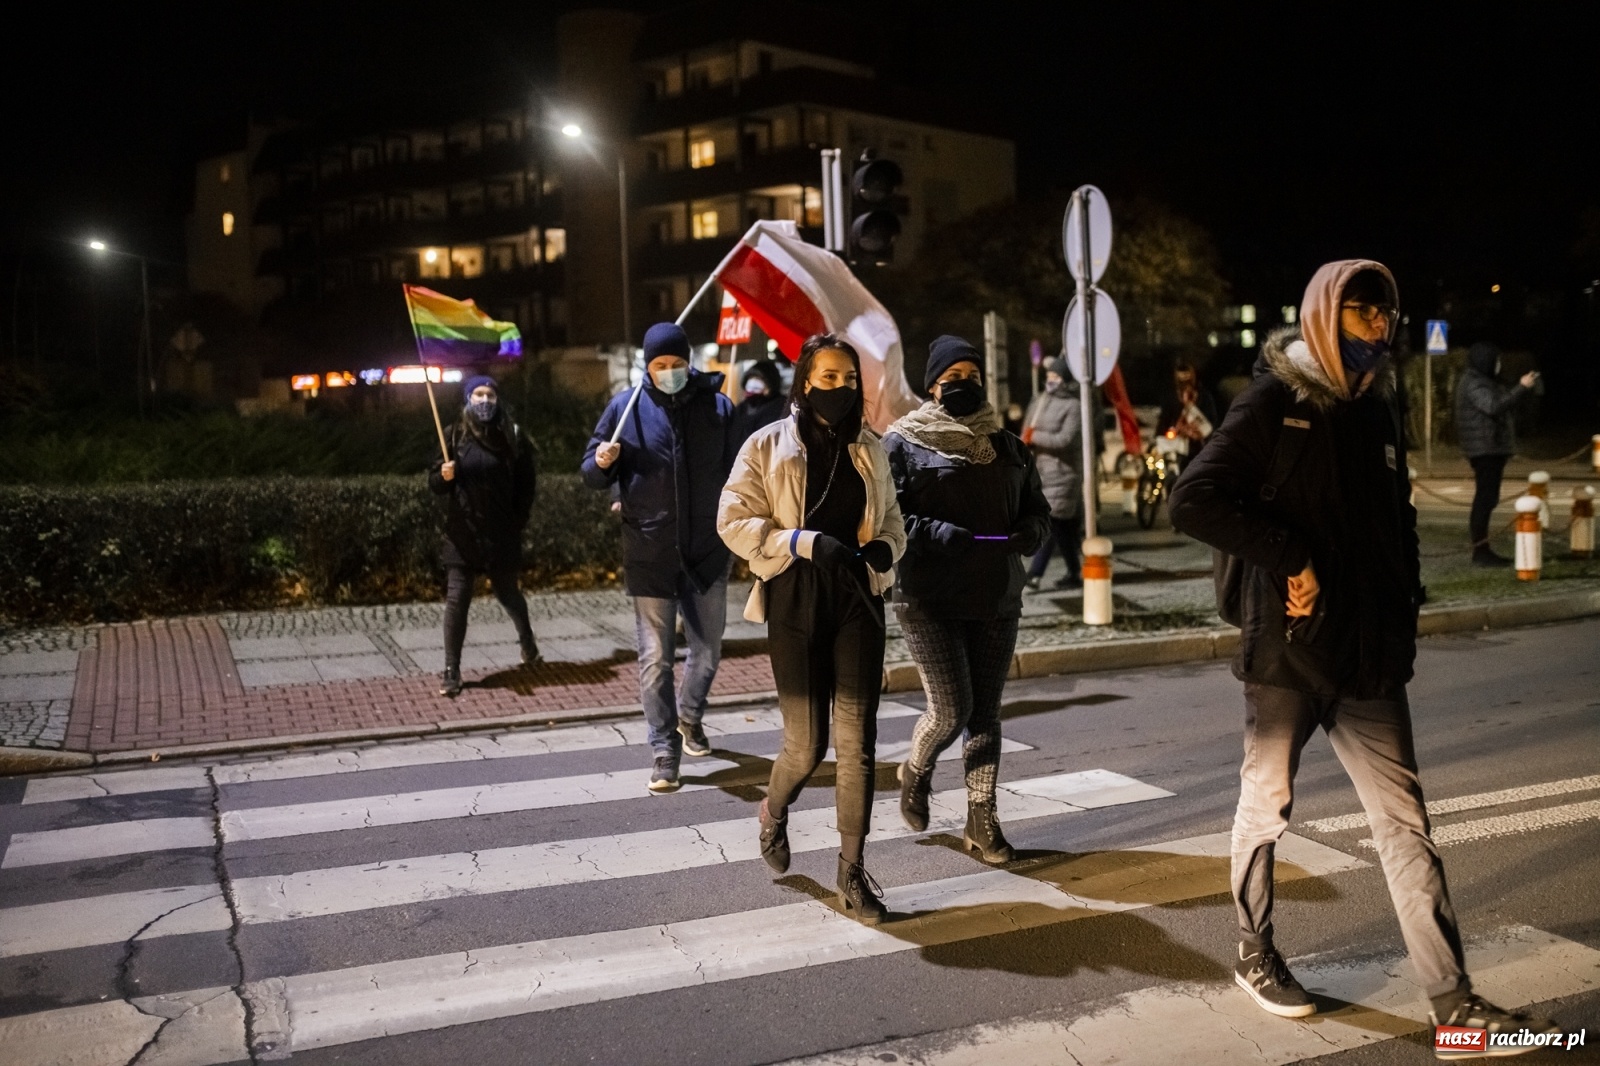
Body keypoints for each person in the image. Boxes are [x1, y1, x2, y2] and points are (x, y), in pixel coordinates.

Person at [1170, 261, 1559, 1051]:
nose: (1379, 328)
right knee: (1267, 806)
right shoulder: (1274, 402)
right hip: (1287, 652)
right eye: (1362, 313)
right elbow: (1193, 500)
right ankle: (1255, 950)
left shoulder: (1376, 413)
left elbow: (1399, 523)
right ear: (1323, 316)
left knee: (1406, 825)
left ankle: (1453, 1006)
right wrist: (1290, 558)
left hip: (1370, 657)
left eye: (1386, 315)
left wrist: (1405, 610)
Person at [717, 333, 906, 924]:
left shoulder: (871, 449)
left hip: (858, 601)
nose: (841, 390)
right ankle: (773, 809)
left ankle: (852, 872)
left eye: (850, 381)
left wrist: (885, 550)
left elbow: (896, 522)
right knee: (807, 746)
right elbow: (732, 520)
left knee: (857, 745)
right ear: (805, 382)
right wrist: (800, 542)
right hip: (796, 598)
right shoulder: (766, 445)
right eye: (829, 379)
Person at [885, 335, 1051, 863]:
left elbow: (1039, 510)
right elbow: (885, 517)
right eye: (951, 377)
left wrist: (1031, 530)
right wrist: (932, 532)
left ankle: (983, 820)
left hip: (997, 593)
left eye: (971, 376)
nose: (963, 385)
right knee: (951, 709)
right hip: (928, 596)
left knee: (986, 714)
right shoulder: (902, 444)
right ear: (932, 386)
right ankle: (915, 768)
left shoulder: (1008, 446)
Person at [581, 322, 736, 794]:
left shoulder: (719, 407)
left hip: (707, 549)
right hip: (650, 550)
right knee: (655, 658)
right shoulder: (625, 407)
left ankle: (689, 718)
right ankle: (664, 747)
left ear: (689, 363)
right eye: (660, 366)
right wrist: (602, 463)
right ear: (648, 368)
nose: (669, 372)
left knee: (708, 650)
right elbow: (590, 471)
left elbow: (740, 474)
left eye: (676, 364)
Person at [427, 375, 539, 698]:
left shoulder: (512, 436)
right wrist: (443, 476)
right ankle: (452, 669)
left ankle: (527, 641)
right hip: (462, 534)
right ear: (468, 399)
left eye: (490, 394)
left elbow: (526, 483)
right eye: (478, 394)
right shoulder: (453, 435)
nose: (485, 400)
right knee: (457, 599)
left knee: (508, 594)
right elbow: (433, 484)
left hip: (501, 533)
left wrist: (518, 519)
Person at [1455, 342, 1539, 567]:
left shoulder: (1483, 380)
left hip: (1490, 447)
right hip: (1484, 449)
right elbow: (1493, 406)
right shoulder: (1474, 382)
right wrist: (1521, 387)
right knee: (1484, 499)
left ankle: (1482, 549)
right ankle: (1480, 551)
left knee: (1488, 498)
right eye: (1496, 360)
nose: (1499, 365)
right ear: (1486, 361)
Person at [1020, 357, 1085, 590]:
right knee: (1063, 529)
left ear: (1066, 381)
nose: (1051, 381)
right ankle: (1075, 572)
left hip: (1064, 474)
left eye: (1056, 377)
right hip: (1042, 472)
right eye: (1049, 377)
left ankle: (1035, 574)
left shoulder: (1074, 407)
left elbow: (1065, 439)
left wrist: (1035, 439)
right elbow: (1027, 429)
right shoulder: (1039, 401)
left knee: (1050, 521)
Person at [1156, 359, 1219, 468]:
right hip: (1177, 451)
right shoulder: (1171, 399)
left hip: (1200, 450)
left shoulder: (1204, 398)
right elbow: (1163, 424)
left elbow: (1213, 423)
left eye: (1187, 381)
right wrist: (1172, 431)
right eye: (1181, 382)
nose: (1185, 385)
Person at [731, 359, 788, 450]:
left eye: (759, 379)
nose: (753, 383)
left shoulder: (782, 407)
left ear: (771, 384)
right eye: (751, 378)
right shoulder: (741, 408)